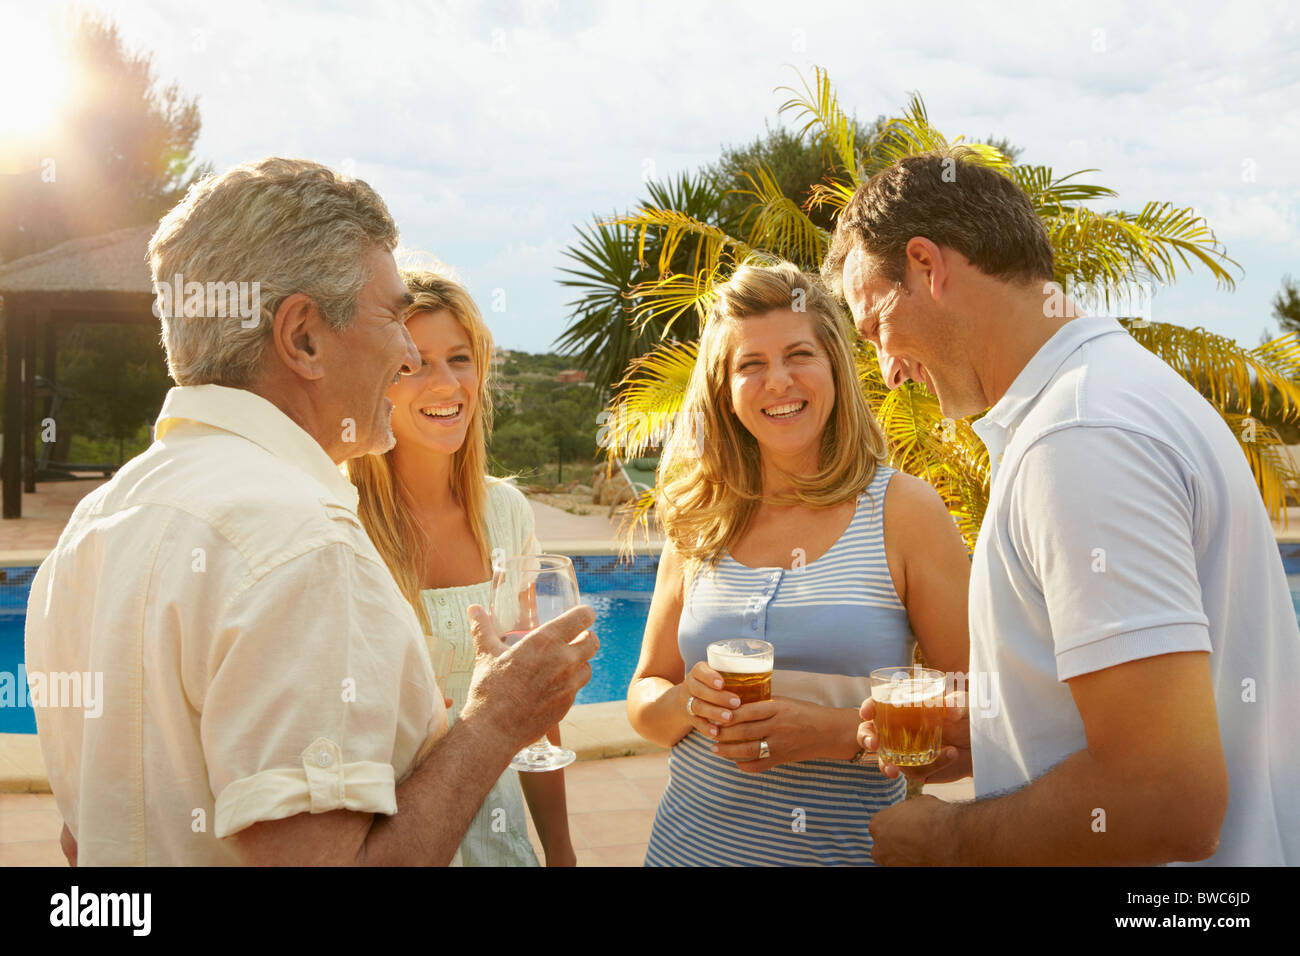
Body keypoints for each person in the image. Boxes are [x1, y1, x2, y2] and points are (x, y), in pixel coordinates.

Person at [24, 157, 597, 866]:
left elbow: (84, 840)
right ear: (303, 337)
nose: (407, 350)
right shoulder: (304, 550)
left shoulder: (90, 532)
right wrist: (493, 722)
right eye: (391, 315)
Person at [825, 149, 1300, 865]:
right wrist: (1002, 730)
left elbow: (1167, 795)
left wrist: (951, 841)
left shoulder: (1078, 439)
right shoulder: (1117, 391)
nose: (889, 371)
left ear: (927, 265)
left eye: (876, 328)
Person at [626, 261, 971, 866]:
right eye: (750, 365)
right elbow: (644, 696)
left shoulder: (903, 512)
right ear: (725, 392)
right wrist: (687, 701)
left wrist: (835, 734)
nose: (778, 381)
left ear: (835, 366)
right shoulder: (698, 515)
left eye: (798, 354)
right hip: (684, 852)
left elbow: (977, 707)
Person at [344, 269, 575, 866]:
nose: (447, 384)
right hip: (387, 840)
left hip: (497, 839)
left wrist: (562, 853)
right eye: (414, 363)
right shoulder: (341, 520)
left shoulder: (506, 512)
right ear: (377, 379)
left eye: (460, 358)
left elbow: (531, 703)